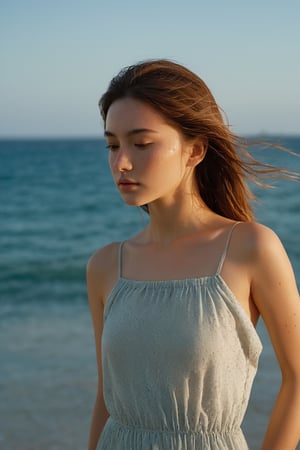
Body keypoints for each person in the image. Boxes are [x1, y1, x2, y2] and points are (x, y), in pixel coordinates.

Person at [86, 59, 300, 450]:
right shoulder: (105, 266)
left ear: (195, 150)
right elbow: (108, 397)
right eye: (112, 145)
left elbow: (298, 379)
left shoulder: (250, 248)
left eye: (142, 143)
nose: (121, 162)